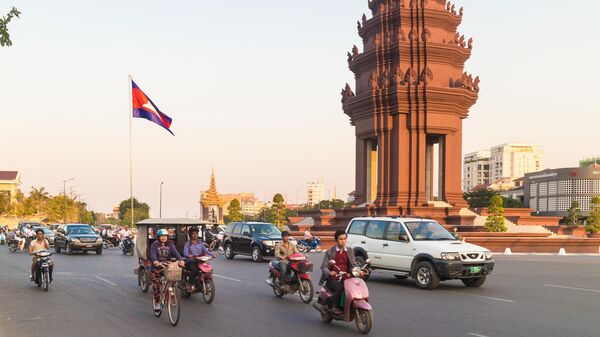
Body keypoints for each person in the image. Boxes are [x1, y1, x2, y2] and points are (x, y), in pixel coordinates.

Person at [320, 230, 362, 315]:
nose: (343, 241)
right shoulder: (330, 252)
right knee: (340, 288)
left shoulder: (350, 251)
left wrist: (358, 271)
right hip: (333, 278)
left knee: (357, 287)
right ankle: (334, 306)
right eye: (340, 239)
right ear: (336, 240)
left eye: (344, 239)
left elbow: (353, 264)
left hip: (346, 277)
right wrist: (329, 273)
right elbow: (324, 267)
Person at [149, 229, 185, 311]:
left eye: (165, 236)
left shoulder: (170, 243)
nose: (163, 238)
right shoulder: (154, 245)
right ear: (158, 237)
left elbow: (175, 252)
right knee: (156, 284)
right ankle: (157, 302)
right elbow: (152, 255)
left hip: (167, 264)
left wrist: (180, 259)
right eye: (162, 236)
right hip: (157, 266)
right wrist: (155, 261)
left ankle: (171, 290)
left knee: (174, 276)